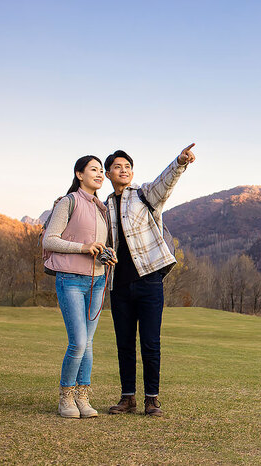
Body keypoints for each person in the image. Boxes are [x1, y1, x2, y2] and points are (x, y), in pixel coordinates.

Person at [104, 144, 196, 416]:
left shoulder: (143, 194)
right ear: (108, 173)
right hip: (118, 284)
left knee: (150, 342)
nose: (124, 170)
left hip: (149, 279)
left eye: (128, 167)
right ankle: (128, 397)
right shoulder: (103, 205)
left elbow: (163, 184)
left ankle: (152, 399)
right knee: (124, 343)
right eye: (118, 167)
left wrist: (179, 162)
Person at [43, 155, 116, 419]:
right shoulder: (69, 201)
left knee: (89, 343)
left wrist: (106, 253)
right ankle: (66, 397)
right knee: (79, 342)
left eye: (100, 171)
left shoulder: (102, 208)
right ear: (79, 174)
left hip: (97, 280)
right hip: (70, 279)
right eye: (93, 170)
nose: (99, 174)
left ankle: (83, 397)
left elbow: (95, 245)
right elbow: (49, 241)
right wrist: (83, 248)